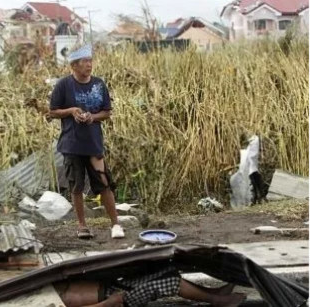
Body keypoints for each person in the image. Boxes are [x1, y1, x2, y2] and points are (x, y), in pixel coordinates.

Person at [49, 44, 124, 239]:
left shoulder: (99, 84)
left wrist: (93, 117)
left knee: (103, 182)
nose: (89, 65)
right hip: (72, 144)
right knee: (76, 186)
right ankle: (82, 226)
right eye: (84, 62)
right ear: (74, 65)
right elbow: (53, 111)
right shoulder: (63, 85)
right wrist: (72, 111)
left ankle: (115, 224)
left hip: (93, 143)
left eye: (90, 61)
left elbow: (107, 112)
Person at [54, 266, 247, 307]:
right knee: (168, 282)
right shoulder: (43, 303)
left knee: (166, 272)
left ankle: (213, 292)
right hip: (114, 299)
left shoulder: (39, 287)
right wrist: (111, 302)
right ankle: (217, 300)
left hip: (112, 286)